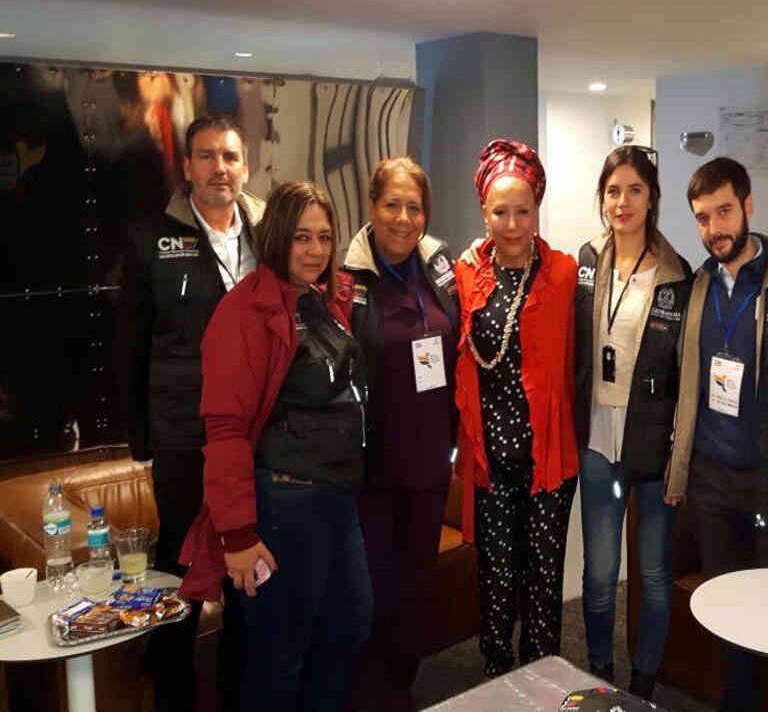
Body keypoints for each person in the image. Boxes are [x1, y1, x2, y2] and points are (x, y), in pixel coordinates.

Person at [179, 181, 372, 712]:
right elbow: (225, 432)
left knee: (348, 630)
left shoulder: (319, 299)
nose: (315, 250)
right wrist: (237, 535)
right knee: (278, 657)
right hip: (286, 506)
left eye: (325, 237)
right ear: (278, 238)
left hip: (337, 503)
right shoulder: (244, 312)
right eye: (302, 238)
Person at [116, 114, 261, 712]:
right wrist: (143, 440)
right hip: (184, 443)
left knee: (247, 577)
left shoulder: (265, 234)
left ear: (245, 166)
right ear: (187, 167)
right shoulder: (152, 239)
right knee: (181, 577)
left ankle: (238, 695)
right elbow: (129, 346)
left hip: (253, 443)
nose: (219, 168)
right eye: (207, 156)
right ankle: (173, 696)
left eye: (229, 156)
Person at [664, 156, 768, 712]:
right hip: (712, 479)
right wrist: (680, 470)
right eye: (702, 218)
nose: (714, 229)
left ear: (748, 206)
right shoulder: (698, 284)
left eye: (724, 211)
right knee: (730, 612)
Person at [455, 138, 579, 678]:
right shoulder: (464, 276)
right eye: (500, 211)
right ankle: (497, 670)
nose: (511, 223)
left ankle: (543, 671)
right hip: (490, 462)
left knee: (544, 575)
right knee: (496, 574)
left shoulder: (564, 273)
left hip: (546, 461)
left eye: (522, 211)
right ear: (484, 211)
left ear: (537, 210)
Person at [340, 158, 459, 711]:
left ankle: (400, 692)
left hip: (431, 466)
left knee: (413, 594)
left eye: (414, 207)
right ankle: (370, 698)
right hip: (372, 471)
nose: (404, 218)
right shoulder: (345, 279)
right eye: (392, 204)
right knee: (372, 598)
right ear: (371, 207)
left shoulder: (438, 269)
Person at [573, 146, 691, 700]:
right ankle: (598, 669)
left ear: (652, 199)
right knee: (600, 575)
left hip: (653, 444)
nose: (623, 202)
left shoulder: (675, 274)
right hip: (597, 437)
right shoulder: (586, 261)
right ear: (603, 198)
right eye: (614, 191)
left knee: (652, 578)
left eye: (635, 191)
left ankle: (645, 678)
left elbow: (684, 372)